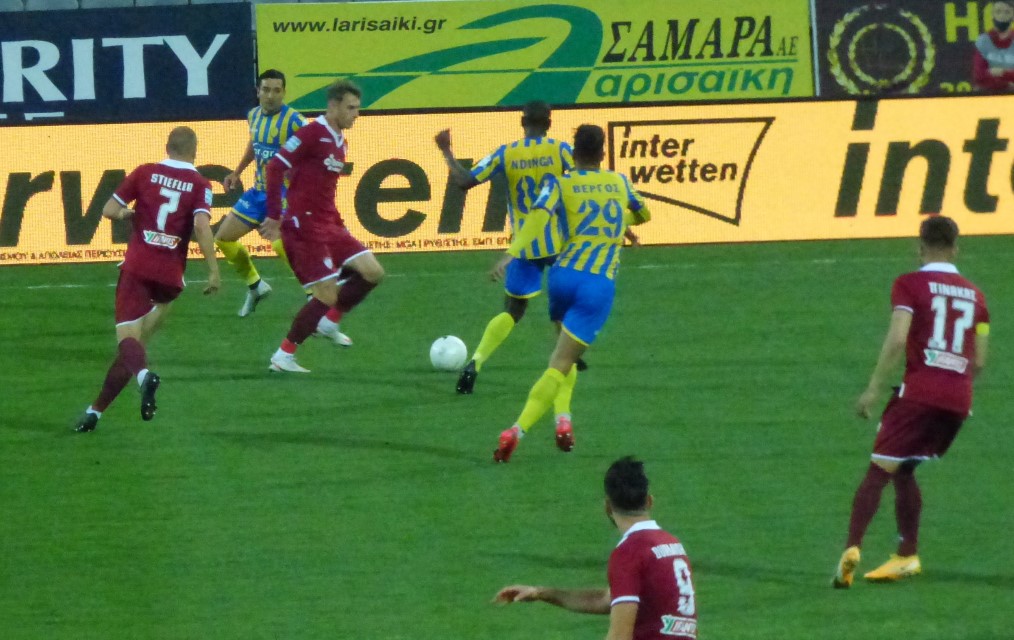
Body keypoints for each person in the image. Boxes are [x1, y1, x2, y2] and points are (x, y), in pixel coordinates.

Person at [832, 216, 990, 587]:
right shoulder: (978, 297)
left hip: (919, 394)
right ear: (956, 248)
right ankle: (907, 555)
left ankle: (851, 549)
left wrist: (873, 388)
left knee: (878, 469)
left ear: (920, 247)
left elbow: (898, 339)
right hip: (958, 400)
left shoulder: (909, 284)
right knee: (905, 467)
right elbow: (980, 360)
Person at [491, 124, 649, 462]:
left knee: (562, 354)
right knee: (563, 360)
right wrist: (621, 225)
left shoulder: (559, 183)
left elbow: (537, 218)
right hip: (596, 284)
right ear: (603, 153)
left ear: (573, 153)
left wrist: (512, 252)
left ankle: (564, 420)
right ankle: (517, 430)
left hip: (562, 276)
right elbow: (643, 213)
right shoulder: (619, 182)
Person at [75, 127, 220, 432]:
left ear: (167, 147)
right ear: (195, 151)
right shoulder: (201, 184)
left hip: (139, 268)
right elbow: (201, 226)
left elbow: (109, 210)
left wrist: (127, 215)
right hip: (170, 278)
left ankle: (145, 378)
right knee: (134, 349)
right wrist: (213, 269)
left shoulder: (145, 172)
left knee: (128, 342)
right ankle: (95, 412)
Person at [434, 101, 575, 396]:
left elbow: (464, 181)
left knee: (513, 310)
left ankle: (476, 361)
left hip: (523, 245)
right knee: (568, 303)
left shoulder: (506, 153)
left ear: (522, 123)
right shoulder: (562, 151)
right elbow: (583, 183)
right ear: (549, 123)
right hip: (560, 243)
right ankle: (567, 361)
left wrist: (446, 151)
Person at [215, 69, 351, 345]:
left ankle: (314, 297)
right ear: (258, 91)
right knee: (223, 238)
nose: (271, 95)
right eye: (266, 89)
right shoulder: (253, 115)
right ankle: (255, 285)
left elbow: (315, 150)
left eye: (277, 90)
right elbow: (255, 144)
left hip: (286, 195)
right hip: (258, 193)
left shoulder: (295, 121)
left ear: (284, 93)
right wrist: (237, 171)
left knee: (281, 243)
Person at [494, 456, 698, 640]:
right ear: (649, 501)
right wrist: (540, 593)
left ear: (607, 507)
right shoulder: (672, 545)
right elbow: (607, 599)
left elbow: (620, 636)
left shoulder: (630, 552)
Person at [263, 79, 384, 374]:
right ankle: (283, 355)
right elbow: (275, 167)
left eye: (357, 108)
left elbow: (325, 190)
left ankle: (329, 322)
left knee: (372, 272)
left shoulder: (341, 141)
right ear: (333, 106)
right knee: (326, 293)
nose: (356, 114)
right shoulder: (312, 133)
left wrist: (338, 224)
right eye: (351, 108)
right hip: (304, 225)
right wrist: (274, 216)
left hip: (329, 224)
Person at [972, 1, 1014, 91]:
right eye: (998, 12)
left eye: (1007, 12)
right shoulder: (983, 40)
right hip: (988, 93)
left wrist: (1002, 72)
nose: (1002, 16)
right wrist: (1006, 84)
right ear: (992, 15)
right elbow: (979, 75)